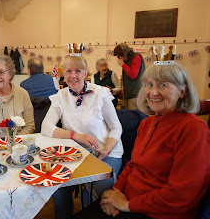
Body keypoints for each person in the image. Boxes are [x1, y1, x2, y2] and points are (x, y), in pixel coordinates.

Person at [74, 62, 210, 219]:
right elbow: (133, 165)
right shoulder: (146, 124)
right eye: (149, 84)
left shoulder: (193, 129)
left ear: (182, 91)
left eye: (163, 85)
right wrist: (114, 193)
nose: (153, 92)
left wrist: (127, 205)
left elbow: (181, 194)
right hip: (127, 202)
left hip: (158, 212)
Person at [41, 55, 123, 219]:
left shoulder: (100, 94)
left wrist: (106, 151)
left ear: (86, 72)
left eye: (78, 71)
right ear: (64, 73)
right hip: (76, 155)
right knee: (59, 190)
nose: (73, 76)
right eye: (69, 71)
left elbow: (116, 127)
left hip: (106, 153)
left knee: (95, 193)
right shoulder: (61, 97)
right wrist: (75, 135)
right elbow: (46, 127)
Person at [113, 43, 145, 110]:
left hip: (135, 94)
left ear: (124, 54)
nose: (118, 59)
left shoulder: (136, 57)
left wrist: (123, 64)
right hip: (128, 93)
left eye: (119, 57)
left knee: (134, 116)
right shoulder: (127, 59)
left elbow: (133, 75)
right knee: (128, 114)